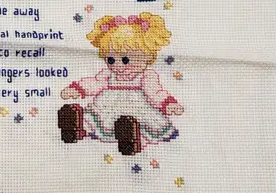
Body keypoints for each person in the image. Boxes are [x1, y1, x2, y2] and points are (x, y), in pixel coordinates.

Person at [58, 13, 183, 154]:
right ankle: (75, 127)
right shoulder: (108, 75)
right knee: (92, 119)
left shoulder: (146, 76)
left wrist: (168, 103)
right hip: (107, 108)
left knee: (140, 125)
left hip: (136, 109)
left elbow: (155, 92)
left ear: (148, 56)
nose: (118, 66)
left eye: (125, 60)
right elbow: (95, 83)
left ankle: (131, 140)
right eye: (111, 60)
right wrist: (78, 89)